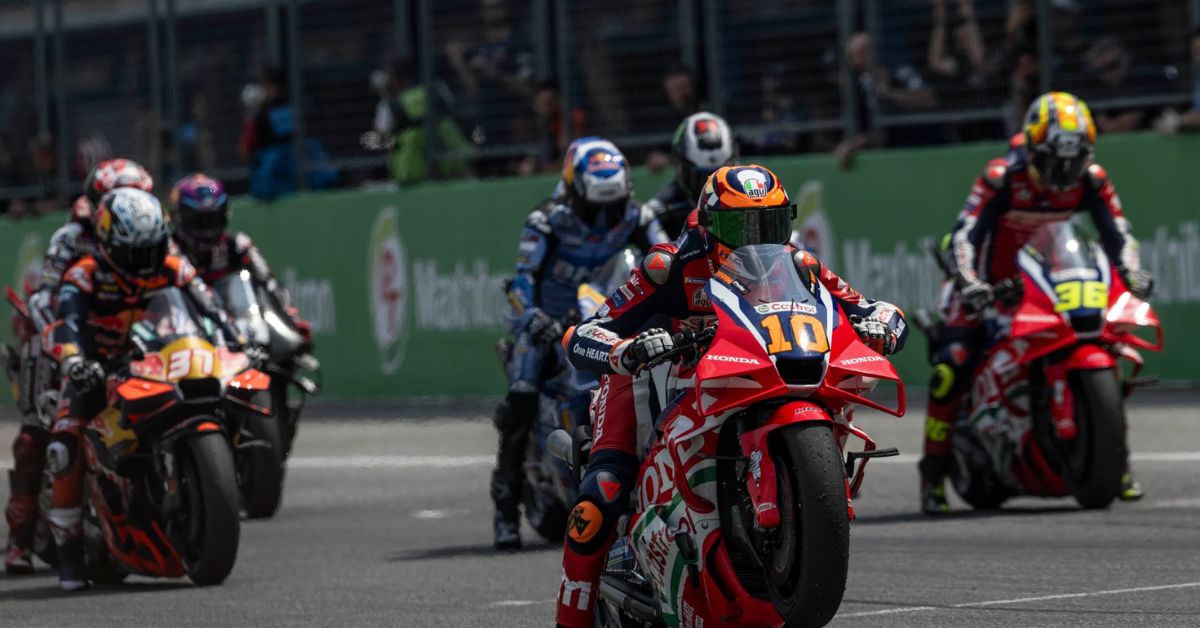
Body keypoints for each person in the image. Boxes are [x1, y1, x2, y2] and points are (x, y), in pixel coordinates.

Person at [554, 164, 908, 627]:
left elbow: (876, 308)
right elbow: (583, 334)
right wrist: (628, 350)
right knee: (601, 495)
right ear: (710, 225)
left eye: (769, 224)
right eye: (740, 228)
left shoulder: (800, 265)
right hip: (654, 378)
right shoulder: (669, 266)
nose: (755, 240)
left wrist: (882, 326)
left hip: (752, 378)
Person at [919, 92, 1154, 515]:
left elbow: (1119, 233)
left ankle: (1115, 462)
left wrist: (1132, 271)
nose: (1062, 174)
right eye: (1052, 161)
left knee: (1104, 347)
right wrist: (969, 281)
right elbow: (965, 233)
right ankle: (932, 475)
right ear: (1032, 147)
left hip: (1048, 283)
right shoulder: (1001, 177)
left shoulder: (1092, 179)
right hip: (989, 288)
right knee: (951, 366)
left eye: (1073, 161)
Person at [45, 188, 240, 591]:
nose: (145, 263)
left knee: (230, 394)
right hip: (98, 370)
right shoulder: (83, 275)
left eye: (152, 250)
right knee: (63, 447)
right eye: (134, 253)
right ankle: (70, 554)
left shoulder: (174, 266)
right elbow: (66, 325)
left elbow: (212, 310)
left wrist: (237, 342)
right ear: (108, 244)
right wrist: (74, 361)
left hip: (160, 362)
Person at [491, 139, 667, 550]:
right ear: (573, 191)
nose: (604, 218)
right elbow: (521, 281)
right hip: (549, 323)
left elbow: (668, 257)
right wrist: (534, 318)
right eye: (594, 208)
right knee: (522, 394)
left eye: (614, 205)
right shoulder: (546, 221)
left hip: (607, 317)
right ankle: (505, 507)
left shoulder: (638, 216)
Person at [4, 158, 152, 574]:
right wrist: (65, 345)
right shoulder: (73, 237)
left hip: (125, 334)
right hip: (64, 337)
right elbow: (44, 296)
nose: (130, 206)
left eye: (139, 197)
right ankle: (19, 540)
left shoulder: (151, 230)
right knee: (35, 435)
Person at [643, 112, 734, 238]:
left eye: (718, 178)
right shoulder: (657, 209)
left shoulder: (745, 196)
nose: (708, 189)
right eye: (700, 178)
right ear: (680, 167)